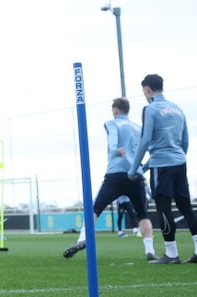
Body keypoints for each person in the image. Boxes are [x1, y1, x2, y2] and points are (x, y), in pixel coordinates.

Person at [64, 98, 157, 260]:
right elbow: (148, 147)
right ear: (127, 110)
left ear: (115, 111)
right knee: (142, 214)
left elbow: (113, 139)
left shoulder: (112, 123)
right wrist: (143, 168)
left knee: (95, 208)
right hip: (136, 175)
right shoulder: (138, 127)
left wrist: (115, 150)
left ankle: (82, 238)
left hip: (116, 173)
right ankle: (150, 251)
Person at [129, 75, 197, 264]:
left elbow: (146, 140)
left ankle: (171, 253)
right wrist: (154, 164)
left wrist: (134, 169)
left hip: (162, 165)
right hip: (179, 162)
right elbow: (185, 140)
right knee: (186, 207)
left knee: (163, 208)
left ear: (147, 89)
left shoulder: (150, 109)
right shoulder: (178, 109)